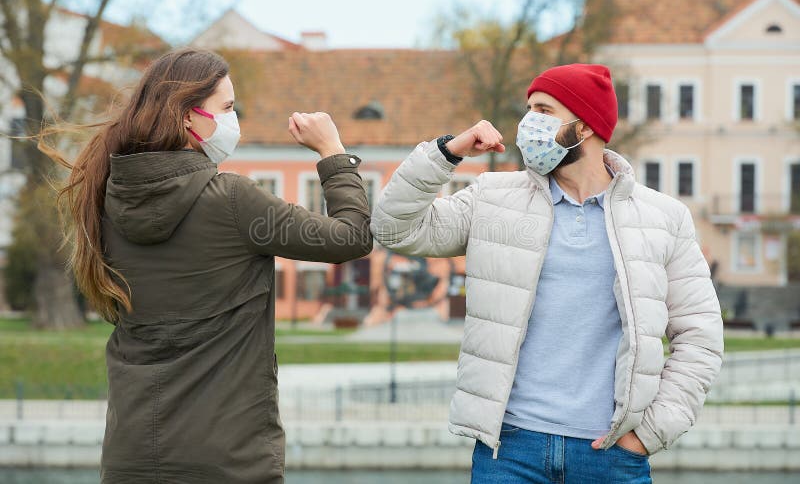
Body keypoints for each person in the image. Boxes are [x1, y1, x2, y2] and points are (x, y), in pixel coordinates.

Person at [370, 64, 723, 483]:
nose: (528, 124)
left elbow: (700, 336)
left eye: (543, 109)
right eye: (528, 109)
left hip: (611, 454)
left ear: (585, 126)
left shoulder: (664, 218)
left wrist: (648, 435)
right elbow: (394, 228)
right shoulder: (494, 198)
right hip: (511, 450)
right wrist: (447, 153)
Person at [44, 48, 372, 483]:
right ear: (187, 117)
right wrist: (332, 151)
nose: (234, 121)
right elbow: (351, 236)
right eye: (228, 108)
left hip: (130, 459)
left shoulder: (106, 201)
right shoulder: (233, 201)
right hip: (226, 461)